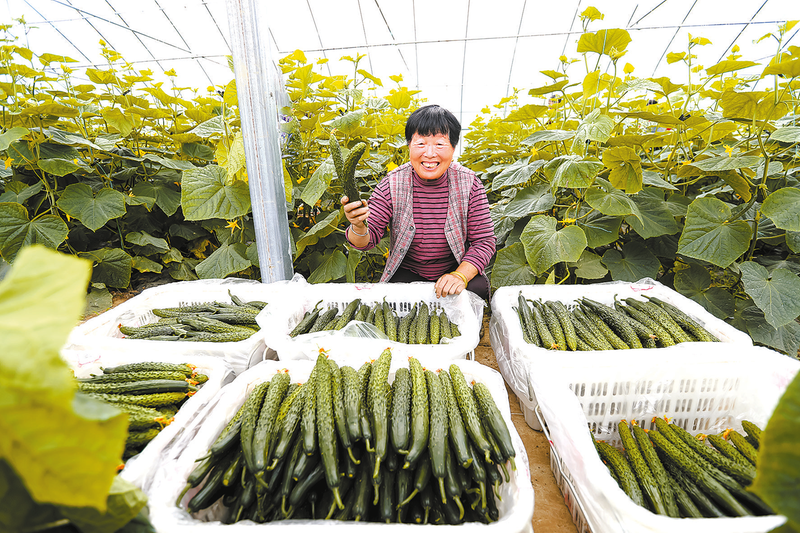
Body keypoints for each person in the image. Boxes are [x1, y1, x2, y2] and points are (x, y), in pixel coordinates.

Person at [341, 104, 496, 300]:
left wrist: (459, 275)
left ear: (453, 148)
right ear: (409, 145)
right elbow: (367, 241)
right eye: (421, 143)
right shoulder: (392, 183)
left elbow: (484, 241)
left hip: (455, 265)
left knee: (477, 290)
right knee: (393, 300)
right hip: (408, 270)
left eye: (439, 144)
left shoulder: (470, 183)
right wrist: (358, 226)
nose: (429, 153)